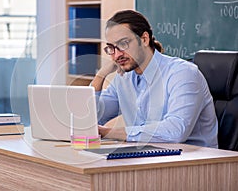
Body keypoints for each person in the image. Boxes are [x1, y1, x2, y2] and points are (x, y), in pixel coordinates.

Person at [91, 10, 218, 148]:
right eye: (111, 48)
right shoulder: (124, 78)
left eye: (123, 44)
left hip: (195, 162)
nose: (116, 55)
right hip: (149, 158)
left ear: (144, 39)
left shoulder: (183, 73)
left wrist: (108, 132)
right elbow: (92, 118)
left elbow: (176, 131)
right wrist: (101, 75)